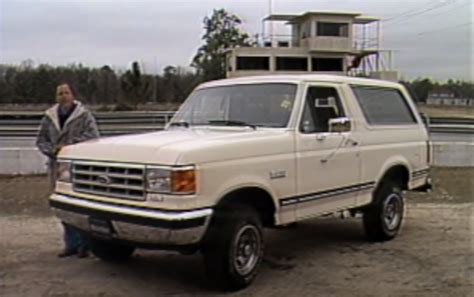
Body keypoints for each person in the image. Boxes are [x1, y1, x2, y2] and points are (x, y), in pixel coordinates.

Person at [36, 82, 100, 258]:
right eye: (60, 93)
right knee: (62, 206)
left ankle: (85, 244)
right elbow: (41, 139)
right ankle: (70, 244)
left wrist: (69, 146)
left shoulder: (84, 115)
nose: (63, 96)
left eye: (66, 92)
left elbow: (93, 136)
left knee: (81, 206)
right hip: (57, 167)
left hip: (79, 167)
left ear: (72, 95)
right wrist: (52, 150)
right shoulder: (49, 117)